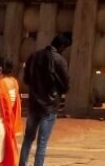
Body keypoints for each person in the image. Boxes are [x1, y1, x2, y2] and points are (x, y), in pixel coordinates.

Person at [19, 34, 70, 166]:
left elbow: (26, 79)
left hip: (33, 103)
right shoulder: (60, 60)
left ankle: (22, 164)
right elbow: (65, 84)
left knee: (28, 139)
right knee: (42, 142)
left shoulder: (33, 56)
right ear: (62, 47)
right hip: (50, 105)